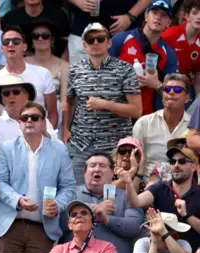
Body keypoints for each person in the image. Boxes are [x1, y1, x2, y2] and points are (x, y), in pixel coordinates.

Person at [0, 102, 76, 253]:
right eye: (24, 118)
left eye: (34, 117)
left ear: (43, 123)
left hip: (43, 228)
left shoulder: (59, 150)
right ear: (19, 123)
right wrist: (17, 200)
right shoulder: (5, 148)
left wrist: (58, 204)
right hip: (9, 226)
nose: (29, 121)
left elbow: (69, 187)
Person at [64, 23, 142, 185]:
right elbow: (69, 102)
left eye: (100, 39)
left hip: (114, 148)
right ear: (84, 45)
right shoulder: (75, 70)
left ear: (109, 43)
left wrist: (105, 104)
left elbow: (136, 110)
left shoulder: (125, 69)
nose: (96, 43)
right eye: (91, 40)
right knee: (78, 196)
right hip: (81, 145)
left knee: (111, 200)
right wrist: (66, 130)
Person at [59, 152, 143, 253]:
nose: (97, 169)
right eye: (92, 166)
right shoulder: (70, 194)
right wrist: (90, 210)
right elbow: (58, 225)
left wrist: (107, 219)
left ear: (112, 172)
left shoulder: (126, 197)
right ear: (85, 171)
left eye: (103, 166)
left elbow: (136, 227)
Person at [122, 141, 200, 253]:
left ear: (193, 167)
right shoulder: (160, 188)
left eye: (182, 161)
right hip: (162, 248)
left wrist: (186, 215)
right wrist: (128, 183)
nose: (176, 165)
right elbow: (136, 202)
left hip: (193, 251)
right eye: (173, 162)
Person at [110, 0, 178, 117]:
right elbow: (100, 73)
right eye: (154, 12)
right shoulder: (122, 39)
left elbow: (174, 94)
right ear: (146, 16)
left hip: (146, 117)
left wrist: (156, 84)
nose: (158, 17)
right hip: (116, 113)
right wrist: (127, 82)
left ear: (169, 22)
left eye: (164, 15)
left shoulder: (169, 54)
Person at [0, 26, 58, 129]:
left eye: (16, 41)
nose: (10, 45)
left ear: (24, 47)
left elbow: (53, 112)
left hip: (37, 136)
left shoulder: (43, 73)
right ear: (2, 48)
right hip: (4, 139)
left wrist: (46, 138)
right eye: (6, 42)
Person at [0, 74, 60, 150]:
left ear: (26, 96)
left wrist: (43, 132)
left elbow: (57, 146)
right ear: (2, 99)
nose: (11, 96)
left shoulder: (38, 119)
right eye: (6, 93)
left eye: (16, 91)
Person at [134, 73, 191, 180]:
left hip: (182, 186)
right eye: (167, 89)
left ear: (187, 98)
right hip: (148, 186)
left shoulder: (194, 127)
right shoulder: (144, 123)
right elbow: (135, 161)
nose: (171, 92)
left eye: (178, 89)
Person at [24, 21, 68, 125]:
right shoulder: (23, 62)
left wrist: (65, 128)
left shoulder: (64, 66)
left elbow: (65, 102)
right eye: (36, 36)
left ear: (52, 39)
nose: (40, 39)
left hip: (56, 116)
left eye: (45, 36)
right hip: (25, 116)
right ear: (31, 40)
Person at [49, 200, 118, 253]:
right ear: (69, 225)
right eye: (74, 214)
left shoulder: (106, 248)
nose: (79, 216)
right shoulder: (58, 250)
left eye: (84, 213)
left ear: (93, 223)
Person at [162, 0, 200, 89]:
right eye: (195, 13)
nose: (199, 17)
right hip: (166, 86)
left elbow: (198, 76)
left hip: (187, 88)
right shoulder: (170, 34)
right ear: (186, 16)